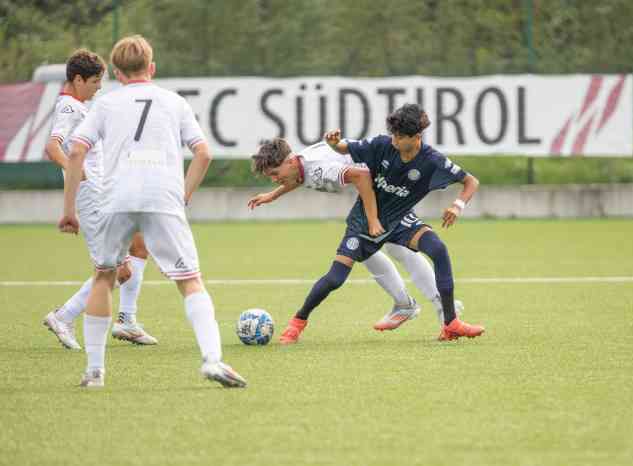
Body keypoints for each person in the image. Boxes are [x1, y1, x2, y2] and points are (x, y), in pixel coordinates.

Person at [59, 35, 245, 388]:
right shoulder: (173, 102)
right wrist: (184, 195)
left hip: (116, 197)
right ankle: (212, 360)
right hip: (163, 197)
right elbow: (203, 153)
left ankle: (95, 372)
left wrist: (69, 210)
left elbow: (75, 152)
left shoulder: (106, 105)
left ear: (116, 72)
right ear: (152, 67)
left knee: (104, 277)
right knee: (190, 280)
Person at [278, 103, 485, 344]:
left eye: (400, 136)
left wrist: (457, 206)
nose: (394, 139)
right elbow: (346, 147)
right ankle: (297, 322)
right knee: (335, 278)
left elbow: (470, 181)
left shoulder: (432, 160)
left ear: (416, 137)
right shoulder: (382, 145)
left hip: (399, 220)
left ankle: (450, 324)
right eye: (393, 134)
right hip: (365, 221)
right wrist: (335, 143)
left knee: (437, 249)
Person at [248, 138, 465, 329]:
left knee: (399, 247)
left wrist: (372, 219)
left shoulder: (318, 167)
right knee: (374, 250)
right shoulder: (299, 164)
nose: (275, 179)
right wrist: (273, 195)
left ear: (290, 161)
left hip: (386, 184)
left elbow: (361, 176)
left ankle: (439, 306)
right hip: (379, 186)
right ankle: (407, 304)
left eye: (275, 174)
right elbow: (298, 178)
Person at [43, 48, 157, 349]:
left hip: (105, 193)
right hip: (92, 197)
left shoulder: (79, 106)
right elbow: (53, 147)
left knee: (139, 245)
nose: (98, 87)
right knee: (117, 271)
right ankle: (63, 316)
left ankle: (127, 321)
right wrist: (74, 169)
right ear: (78, 79)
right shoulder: (69, 107)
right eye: (94, 81)